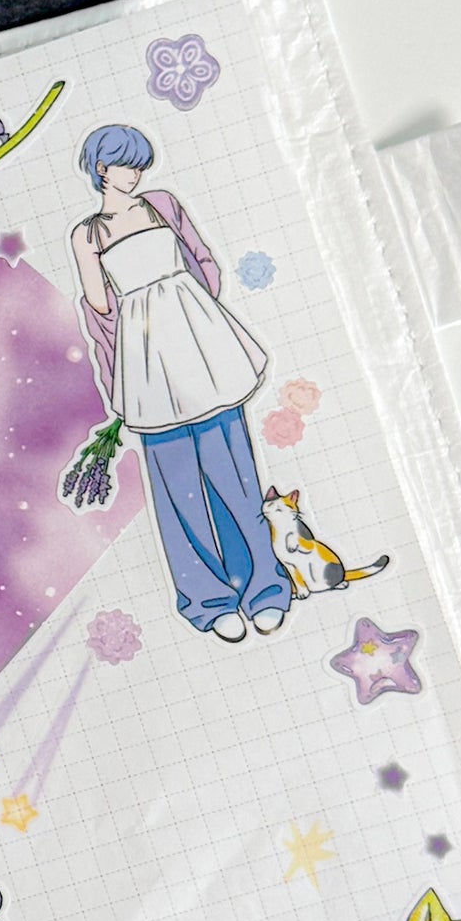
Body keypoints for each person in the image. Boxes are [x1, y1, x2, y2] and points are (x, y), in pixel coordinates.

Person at [70, 123, 290, 641]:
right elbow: (99, 308)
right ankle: (207, 600)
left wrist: (199, 318)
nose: (135, 174)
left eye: (139, 165)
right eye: (125, 165)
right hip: (145, 358)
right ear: (101, 168)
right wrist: (119, 373)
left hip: (201, 343)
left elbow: (202, 262)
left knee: (234, 470)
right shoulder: (87, 234)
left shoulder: (162, 204)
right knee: (177, 486)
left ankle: (264, 587)